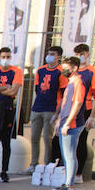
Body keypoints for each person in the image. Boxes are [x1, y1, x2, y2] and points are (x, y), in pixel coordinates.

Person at [52, 56, 87, 190]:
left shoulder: (78, 83)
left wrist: (67, 123)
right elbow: (64, 102)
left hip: (72, 123)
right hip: (66, 121)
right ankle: (68, 181)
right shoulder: (70, 82)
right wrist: (57, 117)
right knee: (67, 154)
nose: (63, 71)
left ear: (74, 68)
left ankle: (69, 185)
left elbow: (77, 104)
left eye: (66, 68)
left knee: (69, 154)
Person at [0, 47, 22, 182]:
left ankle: (4, 171)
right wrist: (3, 88)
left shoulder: (16, 71)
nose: (5, 59)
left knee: (6, 141)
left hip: (7, 109)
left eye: (8, 57)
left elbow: (13, 91)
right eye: (3, 57)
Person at [28, 45, 64, 173]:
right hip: (38, 107)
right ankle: (34, 164)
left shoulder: (61, 71)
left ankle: (47, 164)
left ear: (59, 57)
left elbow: (63, 92)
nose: (49, 56)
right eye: (49, 54)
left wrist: (58, 112)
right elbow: (37, 88)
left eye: (53, 54)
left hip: (51, 108)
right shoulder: (41, 70)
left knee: (47, 138)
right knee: (34, 137)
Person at [73, 43, 95, 183]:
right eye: (77, 55)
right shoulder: (73, 71)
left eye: (82, 54)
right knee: (66, 140)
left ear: (87, 55)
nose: (80, 57)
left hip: (85, 109)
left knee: (81, 140)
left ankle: (79, 173)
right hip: (72, 108)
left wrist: (92, 116)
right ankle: (63, 169)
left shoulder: (93, 72)